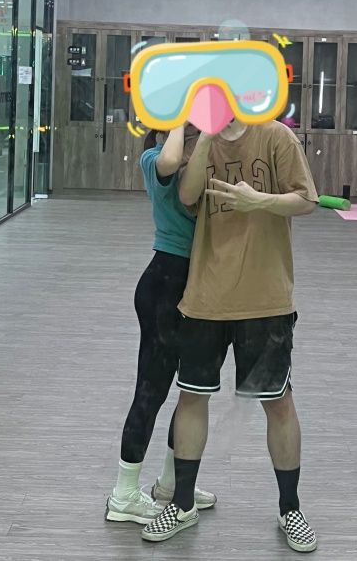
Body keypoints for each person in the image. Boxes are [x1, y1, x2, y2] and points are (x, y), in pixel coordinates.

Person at [142, 117, 319, 552]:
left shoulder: (276, 136)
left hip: (267, 298)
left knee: (278, 402)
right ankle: (182, 503)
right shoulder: (198, 140)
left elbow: (306, 199)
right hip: (206, 296)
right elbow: (187, 197)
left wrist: (259, 201)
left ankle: (291, 509)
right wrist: (206, 134)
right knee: (191, 397)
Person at [105, 124, 216, 524]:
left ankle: (171, 483)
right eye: (191, 131)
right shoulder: (153, 158)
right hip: (165, 287)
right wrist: (178, 120)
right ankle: (123, 495)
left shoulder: (199, 161)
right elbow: (170, 159)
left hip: (196, 285)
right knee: (150, 392)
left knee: (191, 394)